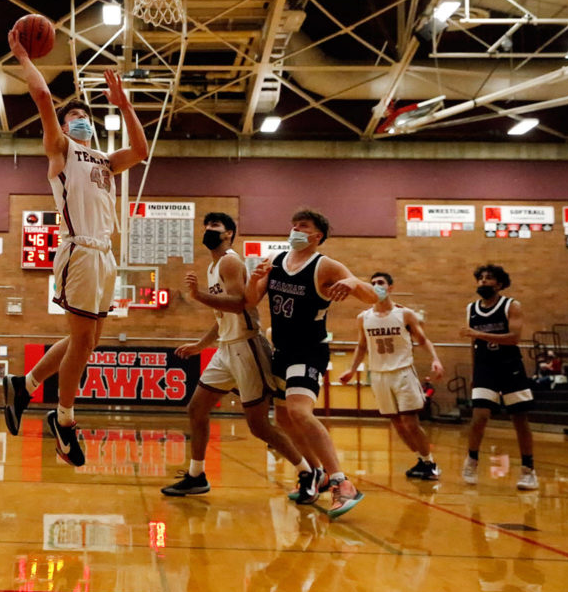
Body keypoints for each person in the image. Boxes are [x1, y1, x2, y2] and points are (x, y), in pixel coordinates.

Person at [1, 29, 148, 467]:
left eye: (86, 116)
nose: (81, 119)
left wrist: (124, 106)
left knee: (86, 341)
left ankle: (23, 386)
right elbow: (44, 99)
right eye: (75, 117)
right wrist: (24, 57)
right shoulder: (61, 151)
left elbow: (140, 150)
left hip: (104, 255)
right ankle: (63, 422)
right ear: (65, 127)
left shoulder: (104, 160)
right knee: (82, 342)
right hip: (79, 250)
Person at [245, 209, 379, 518]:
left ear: (317, 235)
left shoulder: (325, 265)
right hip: (281, 350)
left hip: (308, 350)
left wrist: (353, 283)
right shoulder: (276, 261)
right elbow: (252, 301)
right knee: (284, 420)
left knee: (299, 412)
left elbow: (372, 297)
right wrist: (254, 280)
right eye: (293, 225)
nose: (295, 229)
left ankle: (342, 482)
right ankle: (315, 473)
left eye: (302, 226)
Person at [163, 212, 307, 496]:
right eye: (206, 225)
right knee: (197, 408)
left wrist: (199, 296)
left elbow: (240, 303)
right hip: (226, 347)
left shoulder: (230, 260)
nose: (208, 229)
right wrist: (201, 345)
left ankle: (307, 471)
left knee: (258, 426)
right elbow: (221, 316)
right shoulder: (213, 266)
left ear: (229, 233)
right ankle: (196, 475)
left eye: (214, 226)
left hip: (245, 345)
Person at [340, 271, 445, 480]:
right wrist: (352, 370)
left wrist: (435, 359)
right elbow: (362, 346)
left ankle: (430, 462)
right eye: (373, 283)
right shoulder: (363, 318)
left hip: (402, 372)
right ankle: (421, 460)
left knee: (409, 422)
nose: (377, 286)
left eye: (381, 283)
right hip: (379, 374)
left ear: (391, 287)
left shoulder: (404, 314)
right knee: (397, 424)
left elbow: (423, 340)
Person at [459, 264, 538, 490]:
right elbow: (474, 344)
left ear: (500, 284)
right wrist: (474, 372)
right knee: (480, 416)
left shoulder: (511, 305)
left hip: (510, 366)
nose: (483, 281)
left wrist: (478, 333)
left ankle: (528, 470)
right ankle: (472, 461)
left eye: (489, 278)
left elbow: (514, 337)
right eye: (481, 278)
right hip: (485, 367)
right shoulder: (471, 308)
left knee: (520, 420)